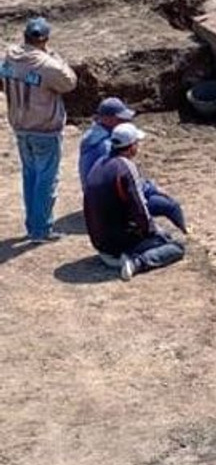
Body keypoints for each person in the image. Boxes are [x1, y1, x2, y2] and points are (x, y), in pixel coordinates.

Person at [2, 17, 77, 242]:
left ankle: (33, 226)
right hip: (44, 129)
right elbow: (70, 82)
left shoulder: (10, 57)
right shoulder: (46, 64)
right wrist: (53, 56)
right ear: (44, 40)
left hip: (20, 127)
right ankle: (40, 230)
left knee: (30, 176)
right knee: (46, 179)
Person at [83, 124, 185, 280]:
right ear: (130, 147)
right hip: (117, 245)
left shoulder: (99, 163)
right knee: (176, 247)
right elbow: (139, 208)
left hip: (100, 244)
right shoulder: (126, 167)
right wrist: (153, 232)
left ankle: (131, 254)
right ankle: (137, 262)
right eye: (137, 143)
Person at [78, 97, 187, 233]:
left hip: (96, 196)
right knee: (170, 206)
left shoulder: (93, 136)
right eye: (121, 119)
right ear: (108, 119)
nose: (126, 122)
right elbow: (128, 182)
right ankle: (185, 233)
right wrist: (153, 189)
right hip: (111, 201)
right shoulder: (107, 148)